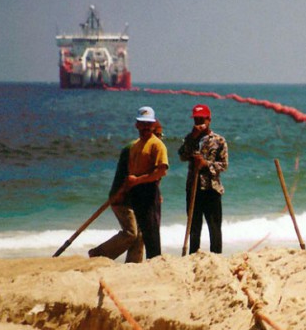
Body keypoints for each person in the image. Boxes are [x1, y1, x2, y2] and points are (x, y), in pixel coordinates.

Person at [88, 119, 164, 263]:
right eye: (157, 134)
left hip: (140, 198)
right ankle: (98, 254)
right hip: (122, 196)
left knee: (141, 234)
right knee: (131, 233)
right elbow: (125, 176)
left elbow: (153, 176)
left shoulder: (155, 148)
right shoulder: (133, 148)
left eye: (161, 135)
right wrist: (119, 195)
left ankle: (133, 264)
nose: (160, 138)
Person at [178, 104, 228, 254]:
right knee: (194, 227)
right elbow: (182, 155)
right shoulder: (190, 138)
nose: (199, 123)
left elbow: (224, 165)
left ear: (209, 120)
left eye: (202, 119)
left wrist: (206, 164)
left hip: (211, 188)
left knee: (214, 226)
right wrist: (192, 139)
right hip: (193, 187)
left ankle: (216, 256)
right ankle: (193, 255)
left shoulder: (219, 140)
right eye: (196, 120)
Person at [126, 107, 169, 259]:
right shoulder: (136, 145)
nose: (145, 127)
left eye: (148, 124)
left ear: (153, 125)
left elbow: (161, 171)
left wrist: (138, 180)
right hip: (136, 192)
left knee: (151, 231)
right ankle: (136, 260)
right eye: (142, 123)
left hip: (149, 190)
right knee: (140, 230)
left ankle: (155, 260)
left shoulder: (157, 145)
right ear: (137, 124)